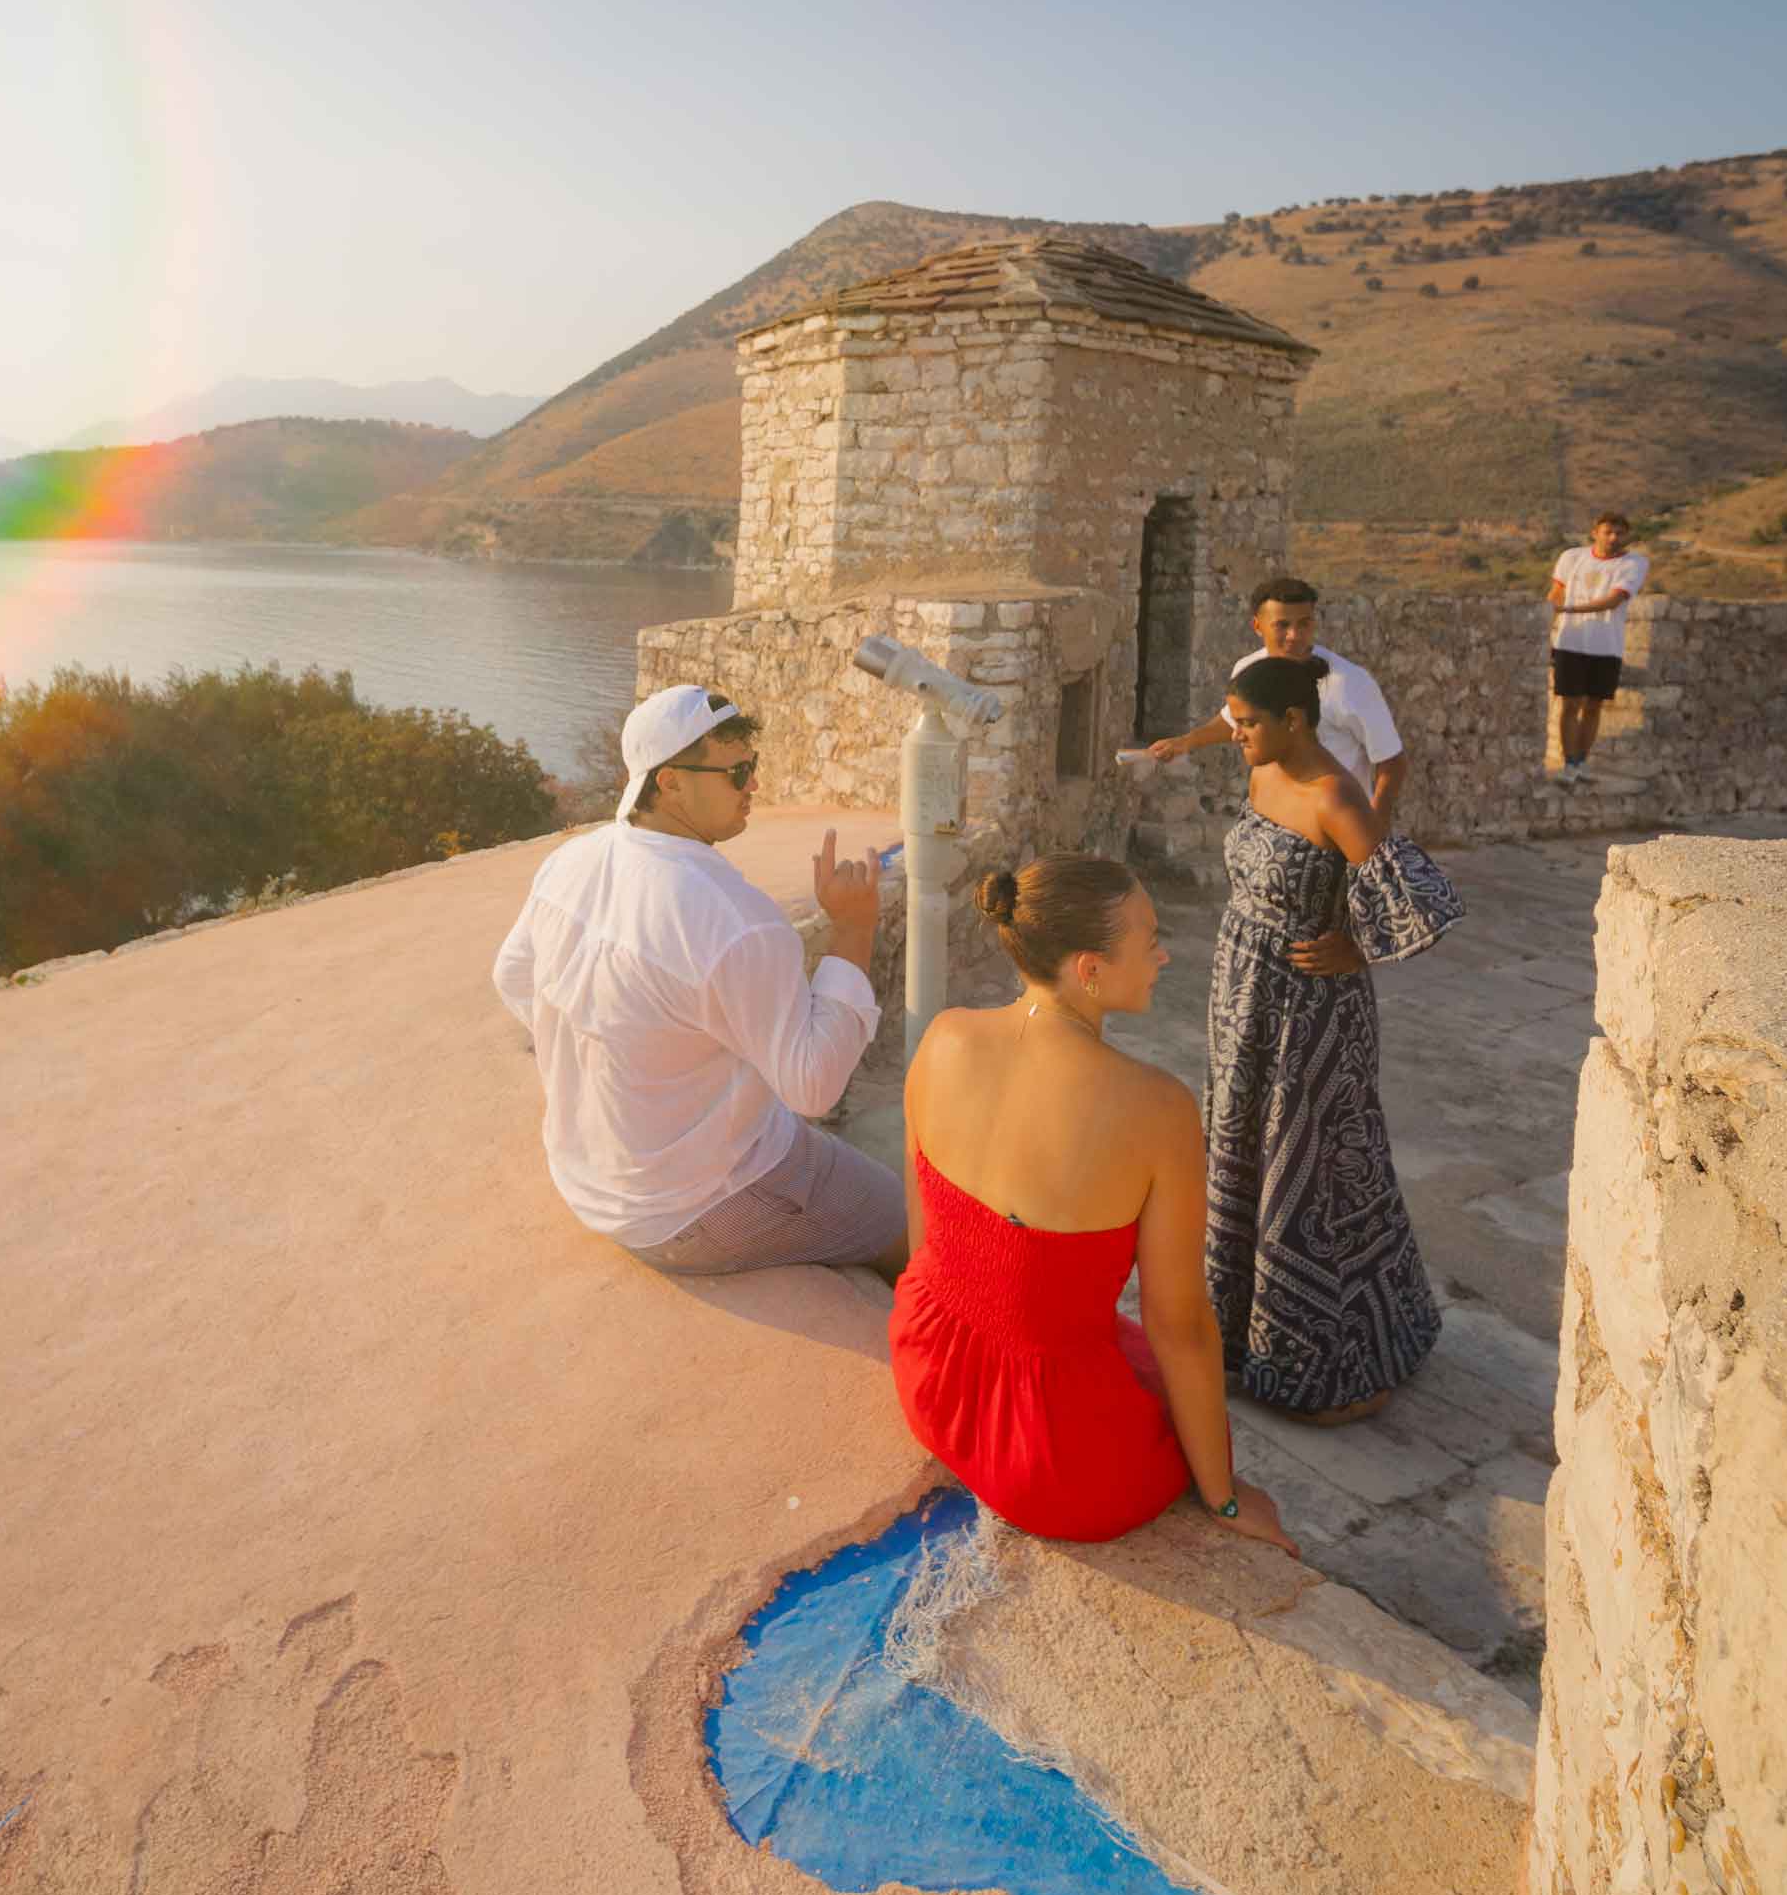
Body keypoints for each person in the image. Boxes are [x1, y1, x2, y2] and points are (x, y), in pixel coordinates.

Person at [887, 854, 1292, 1547]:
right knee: (1172, 1397)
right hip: (1053, 1465)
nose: (1163, 954)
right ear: (1089, 968)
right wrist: (1225, 1498)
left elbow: (924, 1239)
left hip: (927, 1372)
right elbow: (1181, 1326)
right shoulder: (1158, 1109)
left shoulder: (944, 1033)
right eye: (1149, 938)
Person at [493, 682, 904, 1277]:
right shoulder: (737, 922)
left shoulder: (571, 862)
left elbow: (513, 978)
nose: (754, 786)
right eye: (737, 772)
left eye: (752, 766)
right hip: (695, 1207)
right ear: (670, 782)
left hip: (585, 1175)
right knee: (916, 1226)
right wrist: (853, 929)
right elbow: (812, 1085)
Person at [1203, 650, 1461, 1423]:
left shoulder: (1334, 796)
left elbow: (1426, 901)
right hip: (1241, 999)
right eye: (1235, 721)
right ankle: (1239, 1340)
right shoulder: (1261, 773)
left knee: (1316, 1175)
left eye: (1248, 722)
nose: (1238, 733)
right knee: (1242, 1150)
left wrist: (1358, 945)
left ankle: (1340, 1365)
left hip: (1310, 1018)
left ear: (1294, 719)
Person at [1121, 576, 1408, 836]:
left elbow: (1391, 760)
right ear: (1257, 626)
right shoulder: (1248, 669)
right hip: (1272, 822)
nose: (1295, 635)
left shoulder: (1349, 683)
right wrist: (1184, 743)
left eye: (1304, 623)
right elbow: (1233, 720)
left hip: (1332, 829)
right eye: (1282, 625)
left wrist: (1375, 820)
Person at [1544, 511, 1650, 770]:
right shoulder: (1572, 557)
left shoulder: (1634, 563)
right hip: (1569, 641)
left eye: (1620, 533)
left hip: (1606, 644)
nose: (1614, 538)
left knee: (1593, 705)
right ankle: (1569, 762)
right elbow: (1556, 593)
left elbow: (1615, 600)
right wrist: (1547, 624)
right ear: (1595, 533)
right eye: (1608, 532)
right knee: (1569, 703)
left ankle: (1580, 762)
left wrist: (1570, 611)